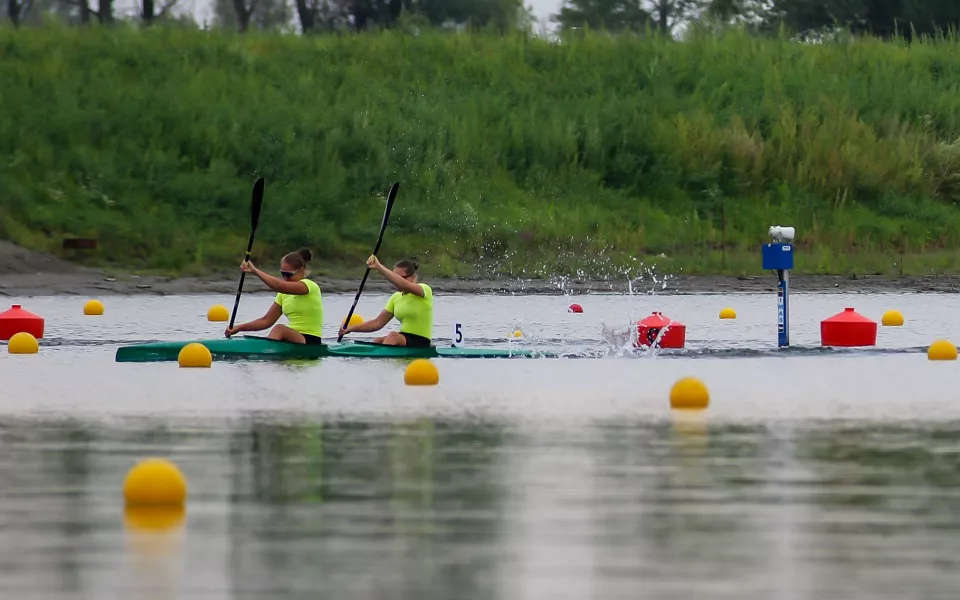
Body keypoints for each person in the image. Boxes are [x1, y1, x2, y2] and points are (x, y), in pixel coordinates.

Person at [224, 248, 324, 344]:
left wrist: (255, 271)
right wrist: (239, 328)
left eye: (288, 275)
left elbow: (279, 286)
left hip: (310, 339)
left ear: (301, 270)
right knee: (279, 330)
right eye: (282, 274)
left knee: (279, 329)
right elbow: (266, 321)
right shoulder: (283, 294)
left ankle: (265, 356)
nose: (285, 277)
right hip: (292, 339)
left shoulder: (309, 286)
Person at [338, 256, 433, 347]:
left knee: (392, 336)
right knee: (379, 340)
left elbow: (404, 285)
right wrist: (350, 328)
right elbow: (377, 323)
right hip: (404, 338)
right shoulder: (396, 297)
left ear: (413, 277)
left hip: (421, 341)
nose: (395, 281)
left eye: (400, 278)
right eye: (394, 277)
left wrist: (379, 267)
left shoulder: (424, 290)